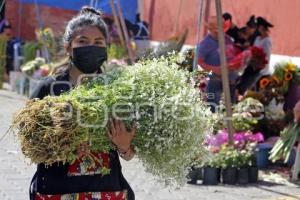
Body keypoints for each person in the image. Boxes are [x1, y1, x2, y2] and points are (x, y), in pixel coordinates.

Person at [29, 7, 136, 200]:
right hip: (57, 192)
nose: (91, 47)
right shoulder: (48, 89)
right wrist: (62, 147)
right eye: (83, 41)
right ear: (68, 46)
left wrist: (124, 146)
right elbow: (29, 146)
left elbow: (130, 153)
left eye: (98, 42)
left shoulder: (118, 90)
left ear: (105, 48)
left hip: (107, 191)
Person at [198, 16, 242, 112]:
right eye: (216, 31)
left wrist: (236, 64)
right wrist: (214, 69)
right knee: (213, 109)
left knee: (231, 109)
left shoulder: (228, 40)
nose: (219, 33)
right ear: (210, 30)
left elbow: (233, 55)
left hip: (230, 81)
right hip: (215, 80)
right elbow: (199, 61)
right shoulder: (205, 43)